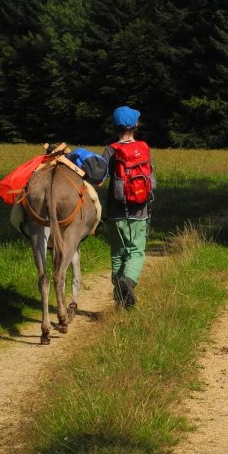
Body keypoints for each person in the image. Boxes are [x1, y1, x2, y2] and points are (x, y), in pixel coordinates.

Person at [102, 105, 155, 309]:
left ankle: (120, 300)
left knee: (117, 254)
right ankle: (128, 282)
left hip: (115, 211)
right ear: (135, 125)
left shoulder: (110, 150)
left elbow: (99, 179)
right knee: (136, 252)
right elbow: (151, 181)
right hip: (139, 211)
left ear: (115, 126)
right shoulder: (143, 148)